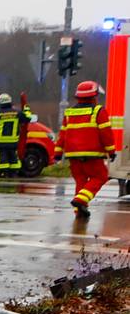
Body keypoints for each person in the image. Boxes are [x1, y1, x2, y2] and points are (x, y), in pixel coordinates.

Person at [60, 81, 117, 214]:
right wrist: (111, 151)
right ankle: (81, 200)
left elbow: (63, 134)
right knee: (100, 177)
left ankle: (79, 210)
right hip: (93, 154)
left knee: (81, 180)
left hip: (73, 156)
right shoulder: (98, 111)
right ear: (94, 96)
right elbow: (106, 134)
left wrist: (57, 153)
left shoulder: (69, 113)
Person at [0, 94, 22, 176]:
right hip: (13, 142)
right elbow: (27, 118)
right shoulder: (17, 113)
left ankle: (4, 172)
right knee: (13, 157)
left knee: (3, 158)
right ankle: (14, 173)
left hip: (1, 142)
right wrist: (27, 109)